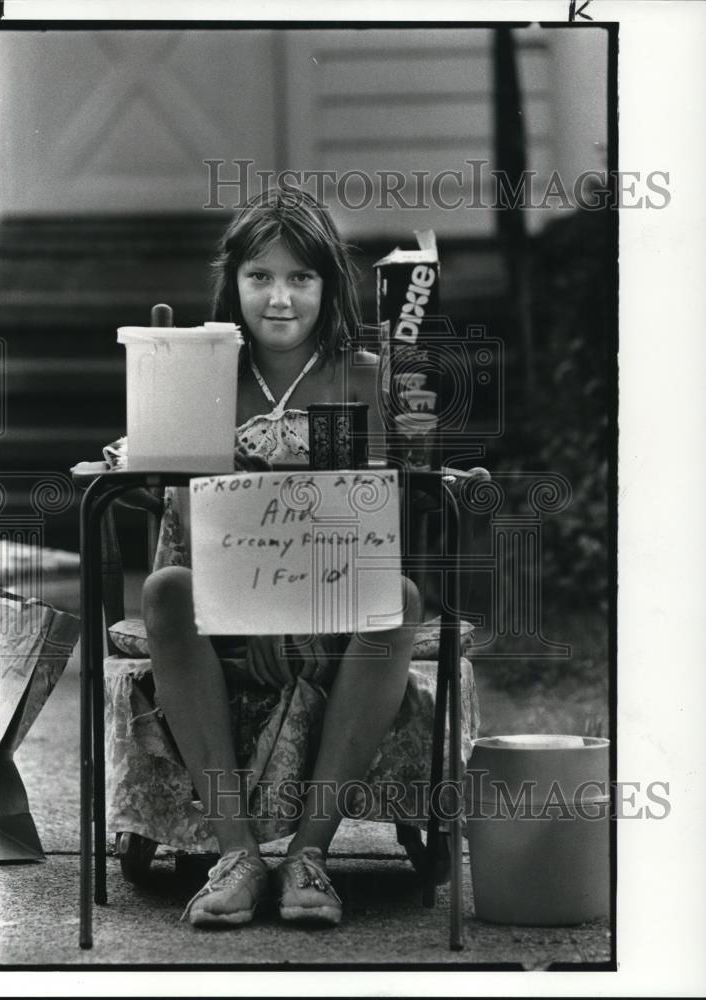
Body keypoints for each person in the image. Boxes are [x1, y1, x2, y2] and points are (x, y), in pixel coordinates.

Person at [141, 185, 421, 928]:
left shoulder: (363, 372)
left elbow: (374, 516)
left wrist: (429, 455)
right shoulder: (201, 369)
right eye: (259, 276)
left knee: (401, 595)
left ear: (328, 285)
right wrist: (252, 611)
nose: (280, 297)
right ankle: (238, 854)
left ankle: (308, 855)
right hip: (220, 598)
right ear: (233, 284)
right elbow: (183, 509)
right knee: (166, 586)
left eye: (301, 277)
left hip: (330, 598)